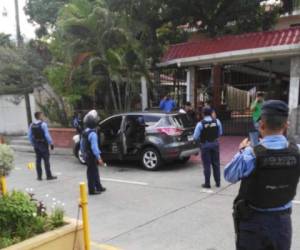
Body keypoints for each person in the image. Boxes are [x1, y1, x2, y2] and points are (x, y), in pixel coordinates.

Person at [224, 100, 300, 250]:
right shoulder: (297, 151)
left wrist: (242, 151)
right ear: (286, 125)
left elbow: (229, 175)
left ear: (261, 126)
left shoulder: (250, 154)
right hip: (282, 224)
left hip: (254, 224)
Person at [193, 107, 223, 188]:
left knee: (207, 165)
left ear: (203, 114)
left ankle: (207, 183)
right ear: (211, 113)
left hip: (205, 145)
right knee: (216, 164)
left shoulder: (200, 124)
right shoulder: (217, 121)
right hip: (215, 144)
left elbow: (195, 137)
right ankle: (218, 182)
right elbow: (220, 133)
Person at [81, 110, 106, 195]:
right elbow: (94, 148)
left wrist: (83, 154)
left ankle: (98, 186)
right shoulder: (93, 134)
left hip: (86, 155)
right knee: (92, 173)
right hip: (91, 155)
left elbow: (81, 144)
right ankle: (92, 190)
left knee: (94, 171)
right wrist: (99, 158)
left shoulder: (85, 131)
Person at [28, 112, 57, 181]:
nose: (43, 116)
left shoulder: (32, 125)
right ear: (39, 116)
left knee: (38, 160)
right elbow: (47, 135)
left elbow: (30, 136)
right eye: (42, 115)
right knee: (46, 160)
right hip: (43, 144)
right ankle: (49, 176)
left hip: (36, 144)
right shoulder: (43, 124)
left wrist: (33, 143)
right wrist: (51, 143)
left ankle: (39, 176)